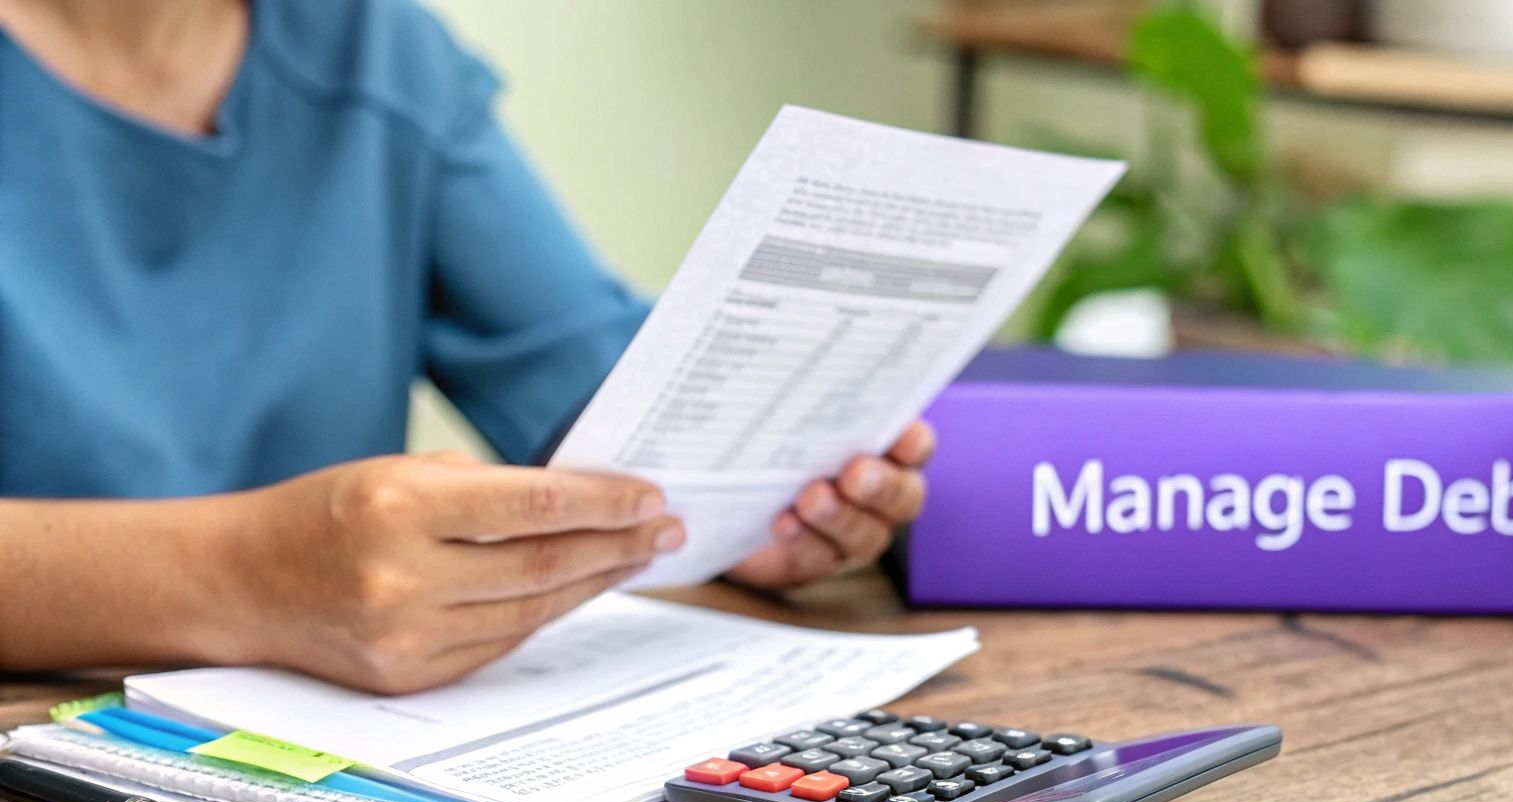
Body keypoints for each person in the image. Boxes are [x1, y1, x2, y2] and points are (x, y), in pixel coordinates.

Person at [0, 0, 935, 694]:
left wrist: (739, 506)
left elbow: (595, 386)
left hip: (338, 776)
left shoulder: (373, 43)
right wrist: (246, 575)